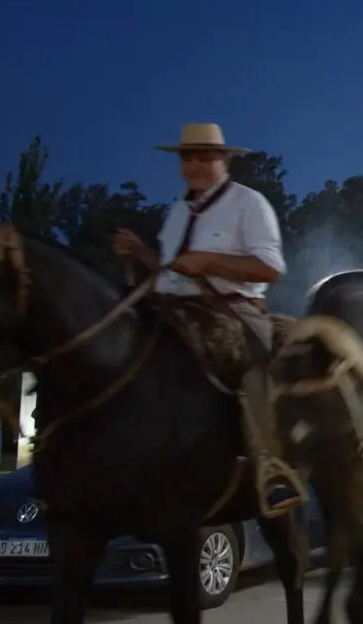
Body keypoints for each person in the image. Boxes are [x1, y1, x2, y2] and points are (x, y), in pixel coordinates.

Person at [112, 123, 305, 515]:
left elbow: (270, 268)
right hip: (171, 308)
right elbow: (170, 268)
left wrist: (209, 261)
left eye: (205, 156)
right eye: (188, 157)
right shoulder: (178, 211)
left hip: (232, 309)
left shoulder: (250, 204)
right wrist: (143, 254)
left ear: (224, 159)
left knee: (252, 364)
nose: (195, 165)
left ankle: (273, 470)